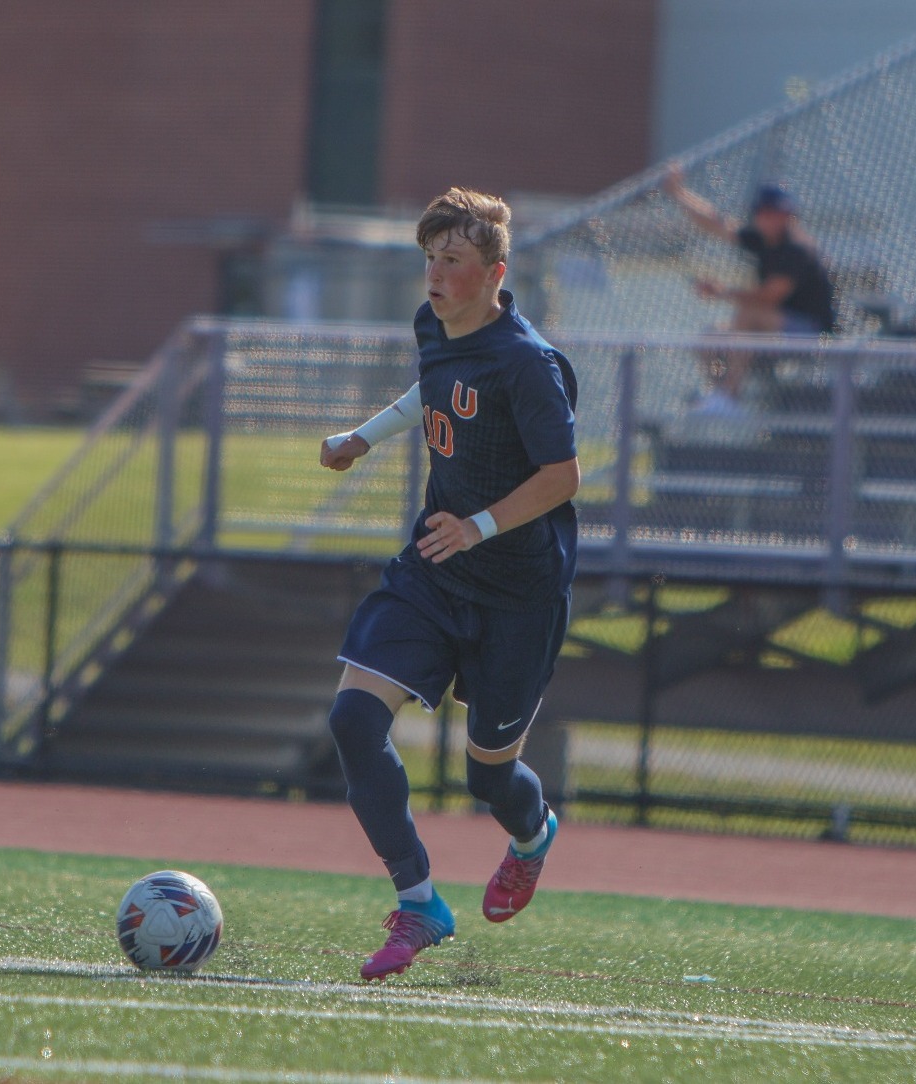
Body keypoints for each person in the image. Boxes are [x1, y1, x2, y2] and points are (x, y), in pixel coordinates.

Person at [318, 188, 580, 981]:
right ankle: (420, 902)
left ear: (494, 274)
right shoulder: (432, 324)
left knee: (488, 775)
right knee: (355, 721)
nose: (434, 274)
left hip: (518, 592)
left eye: (453, 261)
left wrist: (480, 526)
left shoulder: (526, 363)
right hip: (434, 567)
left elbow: (563, 477)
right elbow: (430, 393)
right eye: (429, 257)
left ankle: (532, 837)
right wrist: (363, 437)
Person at [662, 163, 836, 411]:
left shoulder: (797, 248)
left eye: (780, 213)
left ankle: (730, 397)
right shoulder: (762, 240)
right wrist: (679, 192)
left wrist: (721, 292)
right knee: (710, 338)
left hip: (813, 335)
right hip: (776, 329)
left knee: (748, 314)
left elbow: (768, 298)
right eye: (767, 213)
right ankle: (720, 397)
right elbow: (716, 223)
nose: (774, 219)